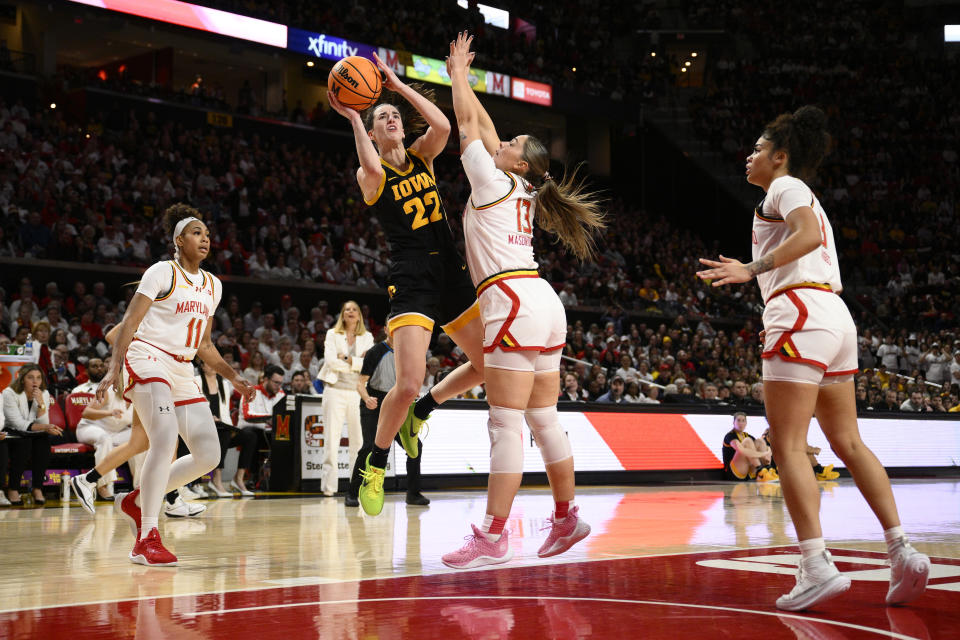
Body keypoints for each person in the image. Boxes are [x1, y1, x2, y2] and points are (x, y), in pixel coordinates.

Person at [696, 105, 929, 610]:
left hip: (798, 310)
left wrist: (749, 269)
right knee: (847, 441)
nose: (749, 155)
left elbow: (807, 237)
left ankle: (816, 563)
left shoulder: (786, 187)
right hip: (833, 316)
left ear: (781, 156)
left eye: (758, 148)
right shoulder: (790, 193)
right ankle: (902, 551)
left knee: (787, 443)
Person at [437, 32, 605, 568]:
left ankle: (492, 535)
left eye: (512, 143)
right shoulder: (523, 188)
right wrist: (463, 77)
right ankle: (564, 516)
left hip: (510, 300)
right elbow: (485, 128)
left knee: (506, 423)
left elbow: (468, 127)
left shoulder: (490, 179)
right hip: (542, 302)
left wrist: (458, 76)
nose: (501, 140)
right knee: (545, 420)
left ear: (519, 163)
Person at [328, 51, 485, 516]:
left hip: (450, 269)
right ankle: (375, 463)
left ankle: (424, 411)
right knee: (409, 378)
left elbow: (443, 128)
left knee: (487, 366)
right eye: (384, 119)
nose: (392, 118)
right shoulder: (370, 172)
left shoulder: (422, 156)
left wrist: (396, 88)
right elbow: (371, 169)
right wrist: (357, 119)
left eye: (394, 115)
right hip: (411, 275)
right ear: (375, 134)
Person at [98, 203, 254, 566]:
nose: (205, 239)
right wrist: (113, 369)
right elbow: (129, 322)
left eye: (208, 234)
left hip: (183, 369)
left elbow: (204, 345)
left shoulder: (213, 285)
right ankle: (146, 537)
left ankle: (138, 500)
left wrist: (234, 376)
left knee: (208, 454)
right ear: (178, 240)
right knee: (164, 437)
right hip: (148, 356)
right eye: (197, 233)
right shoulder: (161, 272)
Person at [347, 333, 430, 507]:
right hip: (374, 402)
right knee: (369, 447)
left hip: (397, 403)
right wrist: (367, 398)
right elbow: (360, 383)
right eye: (391, 327)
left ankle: (413, 494)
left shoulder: (408, 351)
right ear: (386, 329)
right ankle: (352, 493)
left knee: (415, 447)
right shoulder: (375, 352)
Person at [317, 301, 373, 496]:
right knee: (332, 438)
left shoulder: (368, 337)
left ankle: (355, 485)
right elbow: (331, 362)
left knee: (358, 442)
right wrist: (356, 362)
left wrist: (347, 359)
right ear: (342, 314)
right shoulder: (333, 334)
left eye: (354, 309)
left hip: (357, 392)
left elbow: (368, 364)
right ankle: (329, 488)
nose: (350, 312)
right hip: (334, 390)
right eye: (347, 309)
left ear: (359, 315)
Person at [72, 356, 134, 500]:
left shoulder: (137, 396)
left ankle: (140, 486)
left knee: (140, 440)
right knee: (104, 439)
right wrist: (109, 412)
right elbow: (86, 413)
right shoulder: (108, 391)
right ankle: (102, 486)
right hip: (90, 428)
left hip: (116, 433)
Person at [1, 364, 61, 505]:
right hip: (11, 431)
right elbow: (17, 423)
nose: (35, 382)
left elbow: (43, 421)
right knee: (24, 442)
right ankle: (13, 488)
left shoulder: (44, 393)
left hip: (33, 430)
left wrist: (40, 403)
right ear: (22, 379)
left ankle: (37, 487)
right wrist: (45, 427)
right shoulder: (9, 393)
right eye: (30, 378)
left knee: (43, 442)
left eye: (39, 378)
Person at [197, 359, 256, 497]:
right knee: (224, 432)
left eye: (214, 363)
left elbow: (225, 411)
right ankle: (216, 480)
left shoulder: (224, 384)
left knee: (250, 436)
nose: (212, 365)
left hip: (223, 427)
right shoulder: (196, 381)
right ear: (202, 366)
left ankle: (238, 479)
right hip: (203, 428)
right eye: (209, 363)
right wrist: (209, 417)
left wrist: (231, 428)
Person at [722, 412, 777, 482]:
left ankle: (768, 471)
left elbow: (765, 447)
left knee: (760, 441)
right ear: (733, 422)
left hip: (748, 470)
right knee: (747, 441)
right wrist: (763, 454)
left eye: (743, 421)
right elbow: (741, 450)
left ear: (746, 423)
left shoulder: (748, 435)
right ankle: (761, 470)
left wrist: (768, 451)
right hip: (733, 473)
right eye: (738, 420)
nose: (741, 423)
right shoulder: (730, 436)